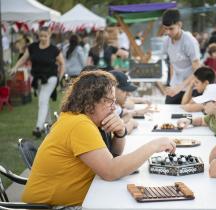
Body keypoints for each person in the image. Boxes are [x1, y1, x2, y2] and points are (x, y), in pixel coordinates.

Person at [22, 71, 176, 208]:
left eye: (114, 101)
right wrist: (154, 146)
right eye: (109, 101)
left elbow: (113, 154)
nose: (113, 107)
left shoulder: (84, 120)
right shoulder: (79, 124)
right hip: (49, 207)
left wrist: (120, 132)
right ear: (90, 102)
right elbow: (111, 170)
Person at [11, 26, 65, 138]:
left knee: (42, 100)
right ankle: (49, 125)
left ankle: (38, 127)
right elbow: (23, 59)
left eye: (45, 36)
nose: (43, 38)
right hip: (38, 79)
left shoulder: (54, 50)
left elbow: (62, 63)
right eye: (41, 36)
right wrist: (15, 67)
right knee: (44, 103)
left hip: (51, 78)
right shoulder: (32, 47)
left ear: (49, 35)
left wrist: (59, 78)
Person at [161, 9, 201, 104]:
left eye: (171, 28)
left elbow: (197, 69)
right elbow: (172, 64)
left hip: (192, 87)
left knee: (187, 115)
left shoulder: (189, 41)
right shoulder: (166, 41)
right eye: (165, 28)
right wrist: (172, 84)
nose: (168, 32)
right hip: (176, 86)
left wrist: (181, 86)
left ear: (179, 25)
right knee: (168, 112)